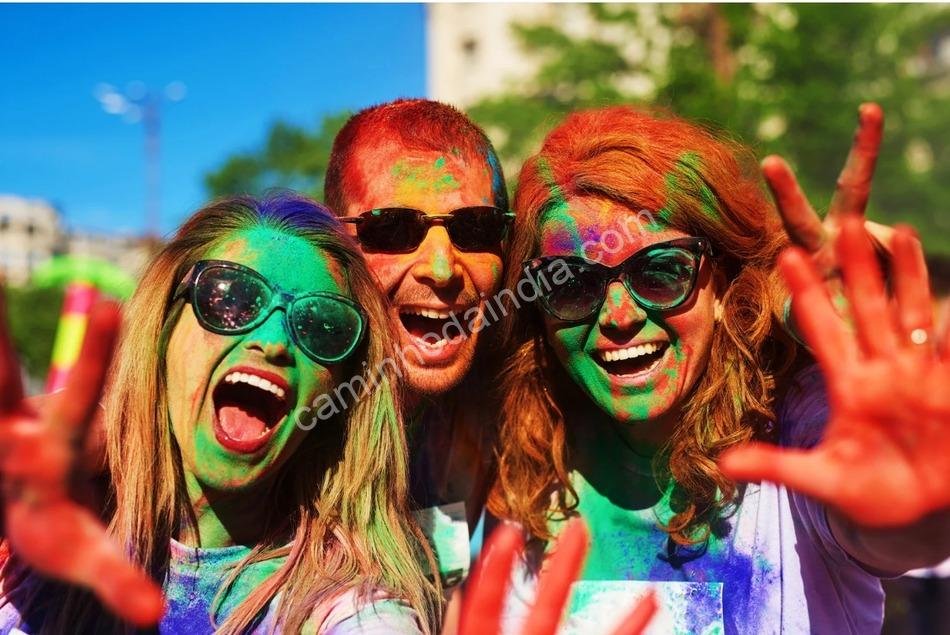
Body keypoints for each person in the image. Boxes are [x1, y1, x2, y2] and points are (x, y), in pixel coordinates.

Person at [488, 105, 950, 633]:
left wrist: (923, 505)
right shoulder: (520, 473)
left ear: (724, 285)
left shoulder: (794, 433)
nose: (619, 317)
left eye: (662, 272)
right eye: (571, 284)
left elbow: (893, 528)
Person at [0, 194, 439, 633]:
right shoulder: (35, 532)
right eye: (231, 297)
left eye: (322, 325)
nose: (273, 342)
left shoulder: (344, 610)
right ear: (165, 327)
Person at [324, 99, 510, 592]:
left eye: (476, 228)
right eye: (394, 228)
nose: (443, 269)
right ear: (331, 246)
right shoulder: (284, 413)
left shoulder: (513, 417)